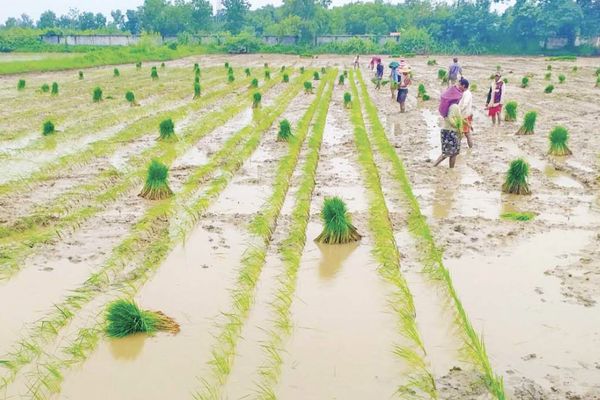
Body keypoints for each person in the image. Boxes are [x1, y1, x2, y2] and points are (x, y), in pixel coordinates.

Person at [434, 85, 464, 168]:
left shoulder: (448, 106)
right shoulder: (455, 107)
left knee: (446, 152)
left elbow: (448, 117)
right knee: (453, 153)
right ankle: (451, 169)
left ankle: (435, 165)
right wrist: (458, 127)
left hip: (445, 130)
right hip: (452, 131)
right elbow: (451, 119)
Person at [458, 77, 474, 148]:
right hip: (463, 115)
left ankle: (470, 148)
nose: (459, 86)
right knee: (460, 133)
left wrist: (458, 110)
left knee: (466, 133)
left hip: (465, 115)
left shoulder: (467, 94)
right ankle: (458, 149)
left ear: (463, 85)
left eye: (460, 85)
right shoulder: (464, 93)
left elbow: (465, 104)